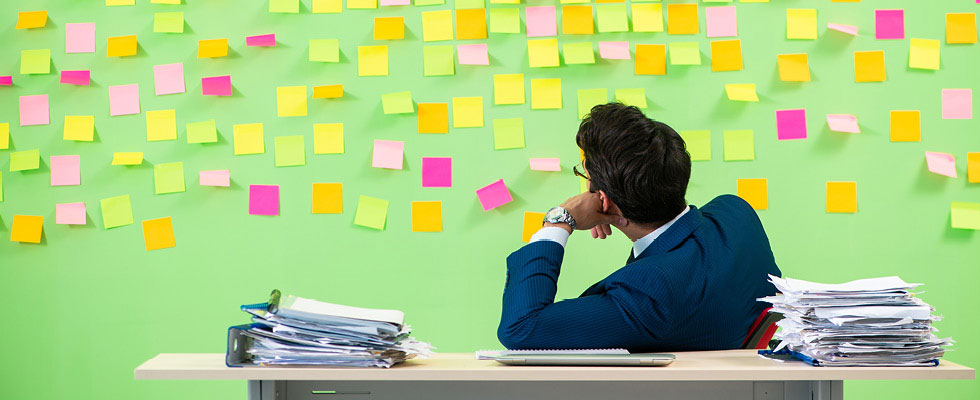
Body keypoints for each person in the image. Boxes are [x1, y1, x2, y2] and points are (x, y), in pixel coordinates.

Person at [497, 103, 782, 351]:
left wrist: (559, 220)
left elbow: (521, 326)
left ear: (603, 201)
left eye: (584, 172)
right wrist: (618, 212)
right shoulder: (737, 214)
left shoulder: (648, 295)